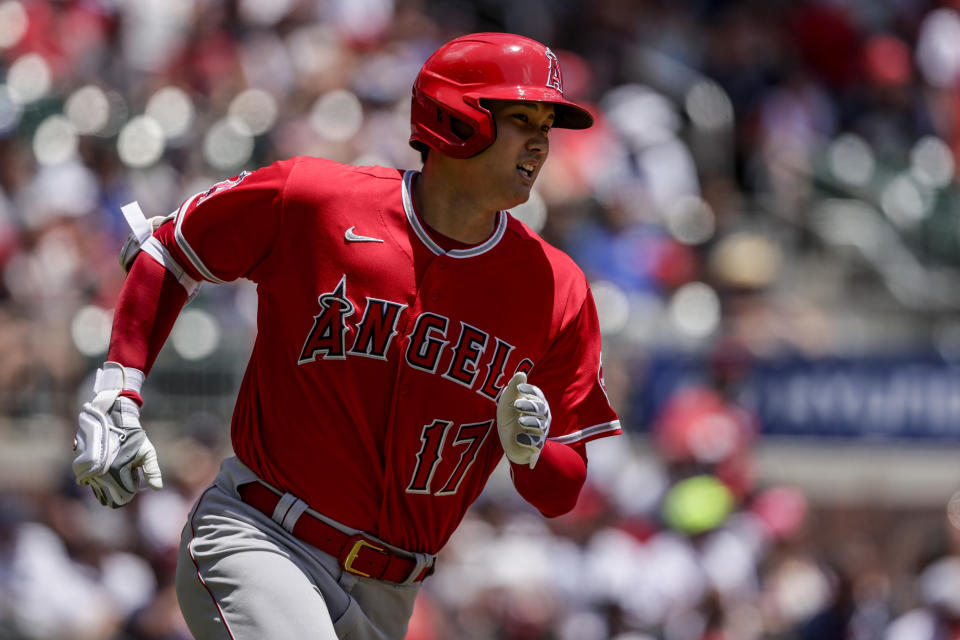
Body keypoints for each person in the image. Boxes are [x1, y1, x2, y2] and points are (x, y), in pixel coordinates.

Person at [72, 32, 621, 639]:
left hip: (394, 595)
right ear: (455, 117)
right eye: (521, 118)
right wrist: (119, 390)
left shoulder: (556, 287)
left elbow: (560, 490)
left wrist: (530, 451)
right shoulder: (317, 201)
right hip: (264, 537)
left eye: (547, 123)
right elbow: (169, 251)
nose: (541, 141)